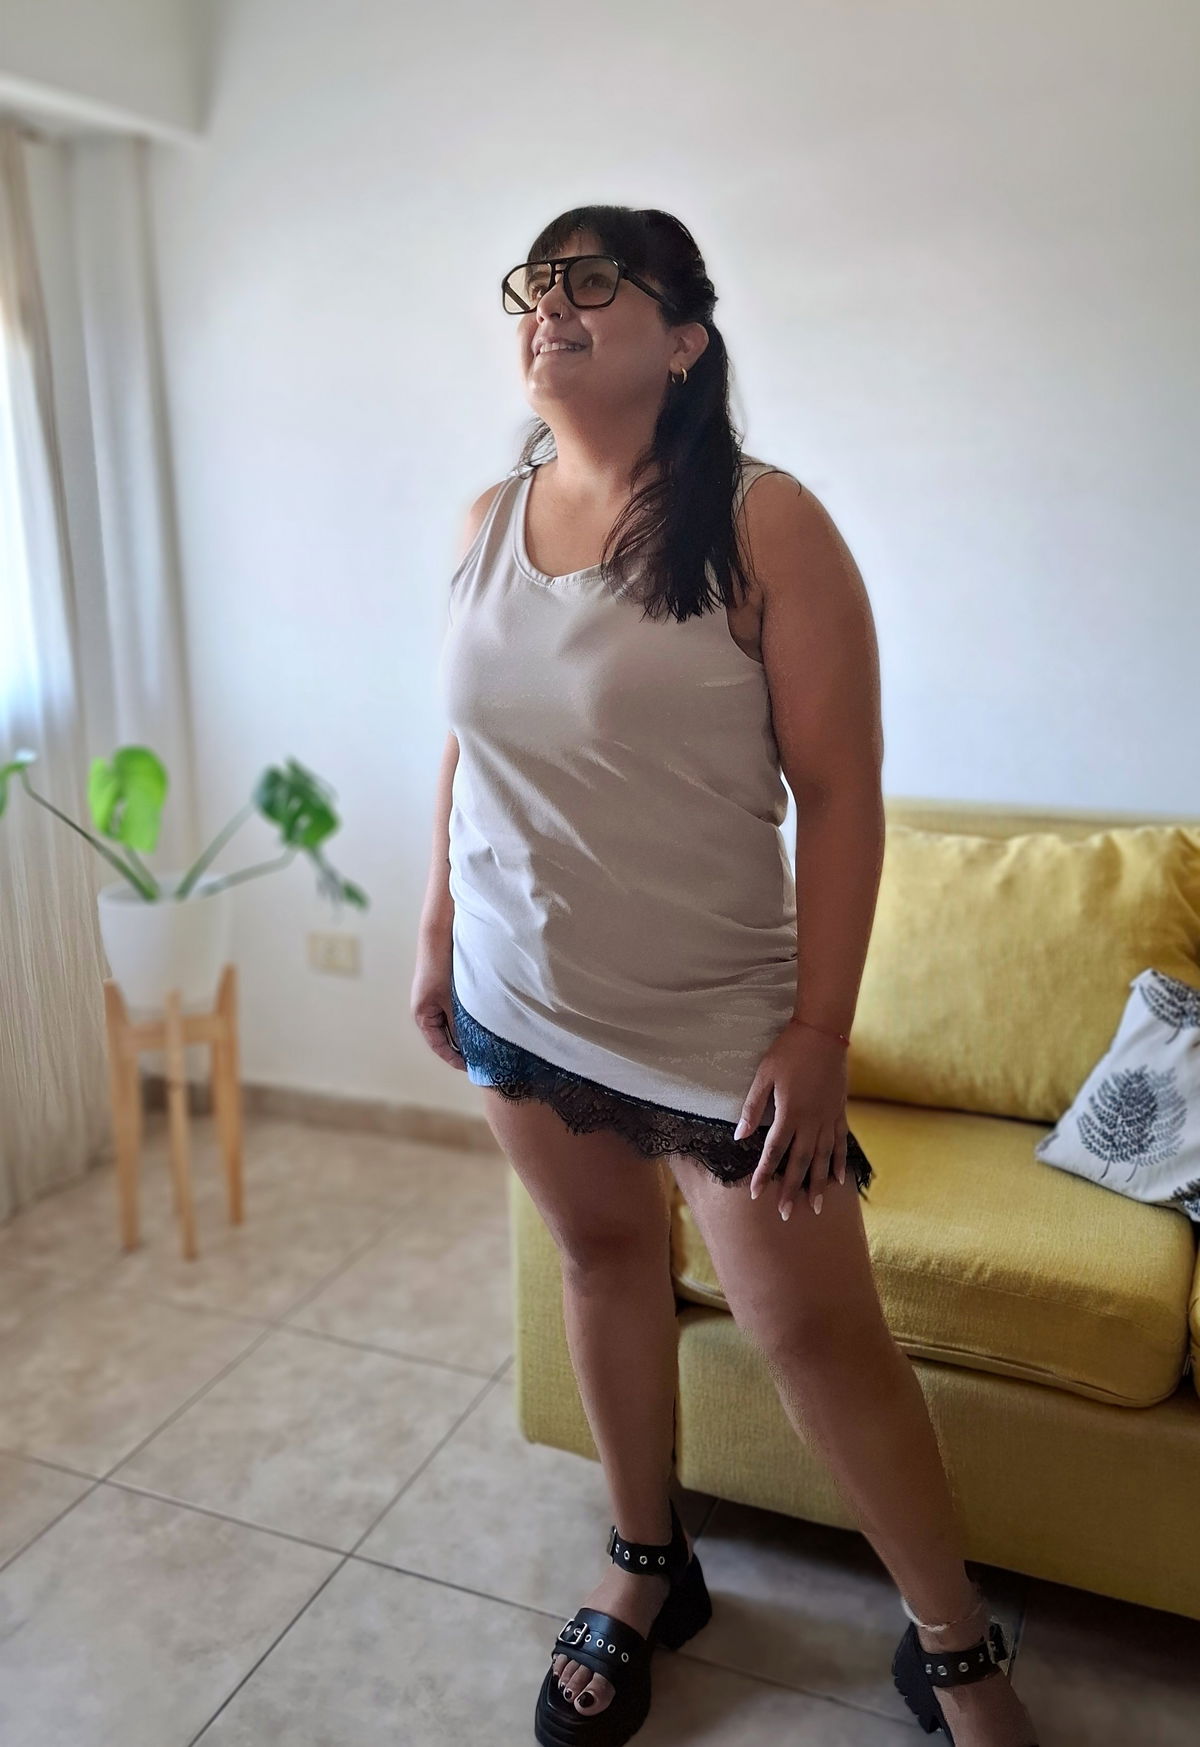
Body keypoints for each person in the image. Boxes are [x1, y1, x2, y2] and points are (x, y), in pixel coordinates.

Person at [412, 206, 1039, 1747]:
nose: (549, 307)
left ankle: (953, 1644)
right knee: (599, 1262)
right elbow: (465, 748)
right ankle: (646, 1563)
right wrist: (435, 934)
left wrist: (820, 1031)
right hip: (516, 992)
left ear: (685, 339)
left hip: (719, 1029)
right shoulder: (486, 517)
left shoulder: (766, 525)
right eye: (534, 284)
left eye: (591, 281)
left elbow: (841, 792)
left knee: (819, 1335)